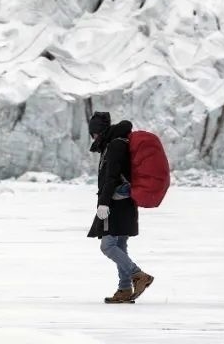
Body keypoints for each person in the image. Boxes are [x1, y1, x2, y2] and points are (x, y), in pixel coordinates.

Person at [86, 111, 155, 303]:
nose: (93, 138)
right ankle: (124, 289)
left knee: (107, 246)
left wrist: (104, 203)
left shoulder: (115, 145)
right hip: (127, 201)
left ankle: (138, 275)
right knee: (120, 245)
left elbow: (112, 176)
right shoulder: (120, 142)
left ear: (98, 132)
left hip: (115, 202)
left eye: (94, 133)